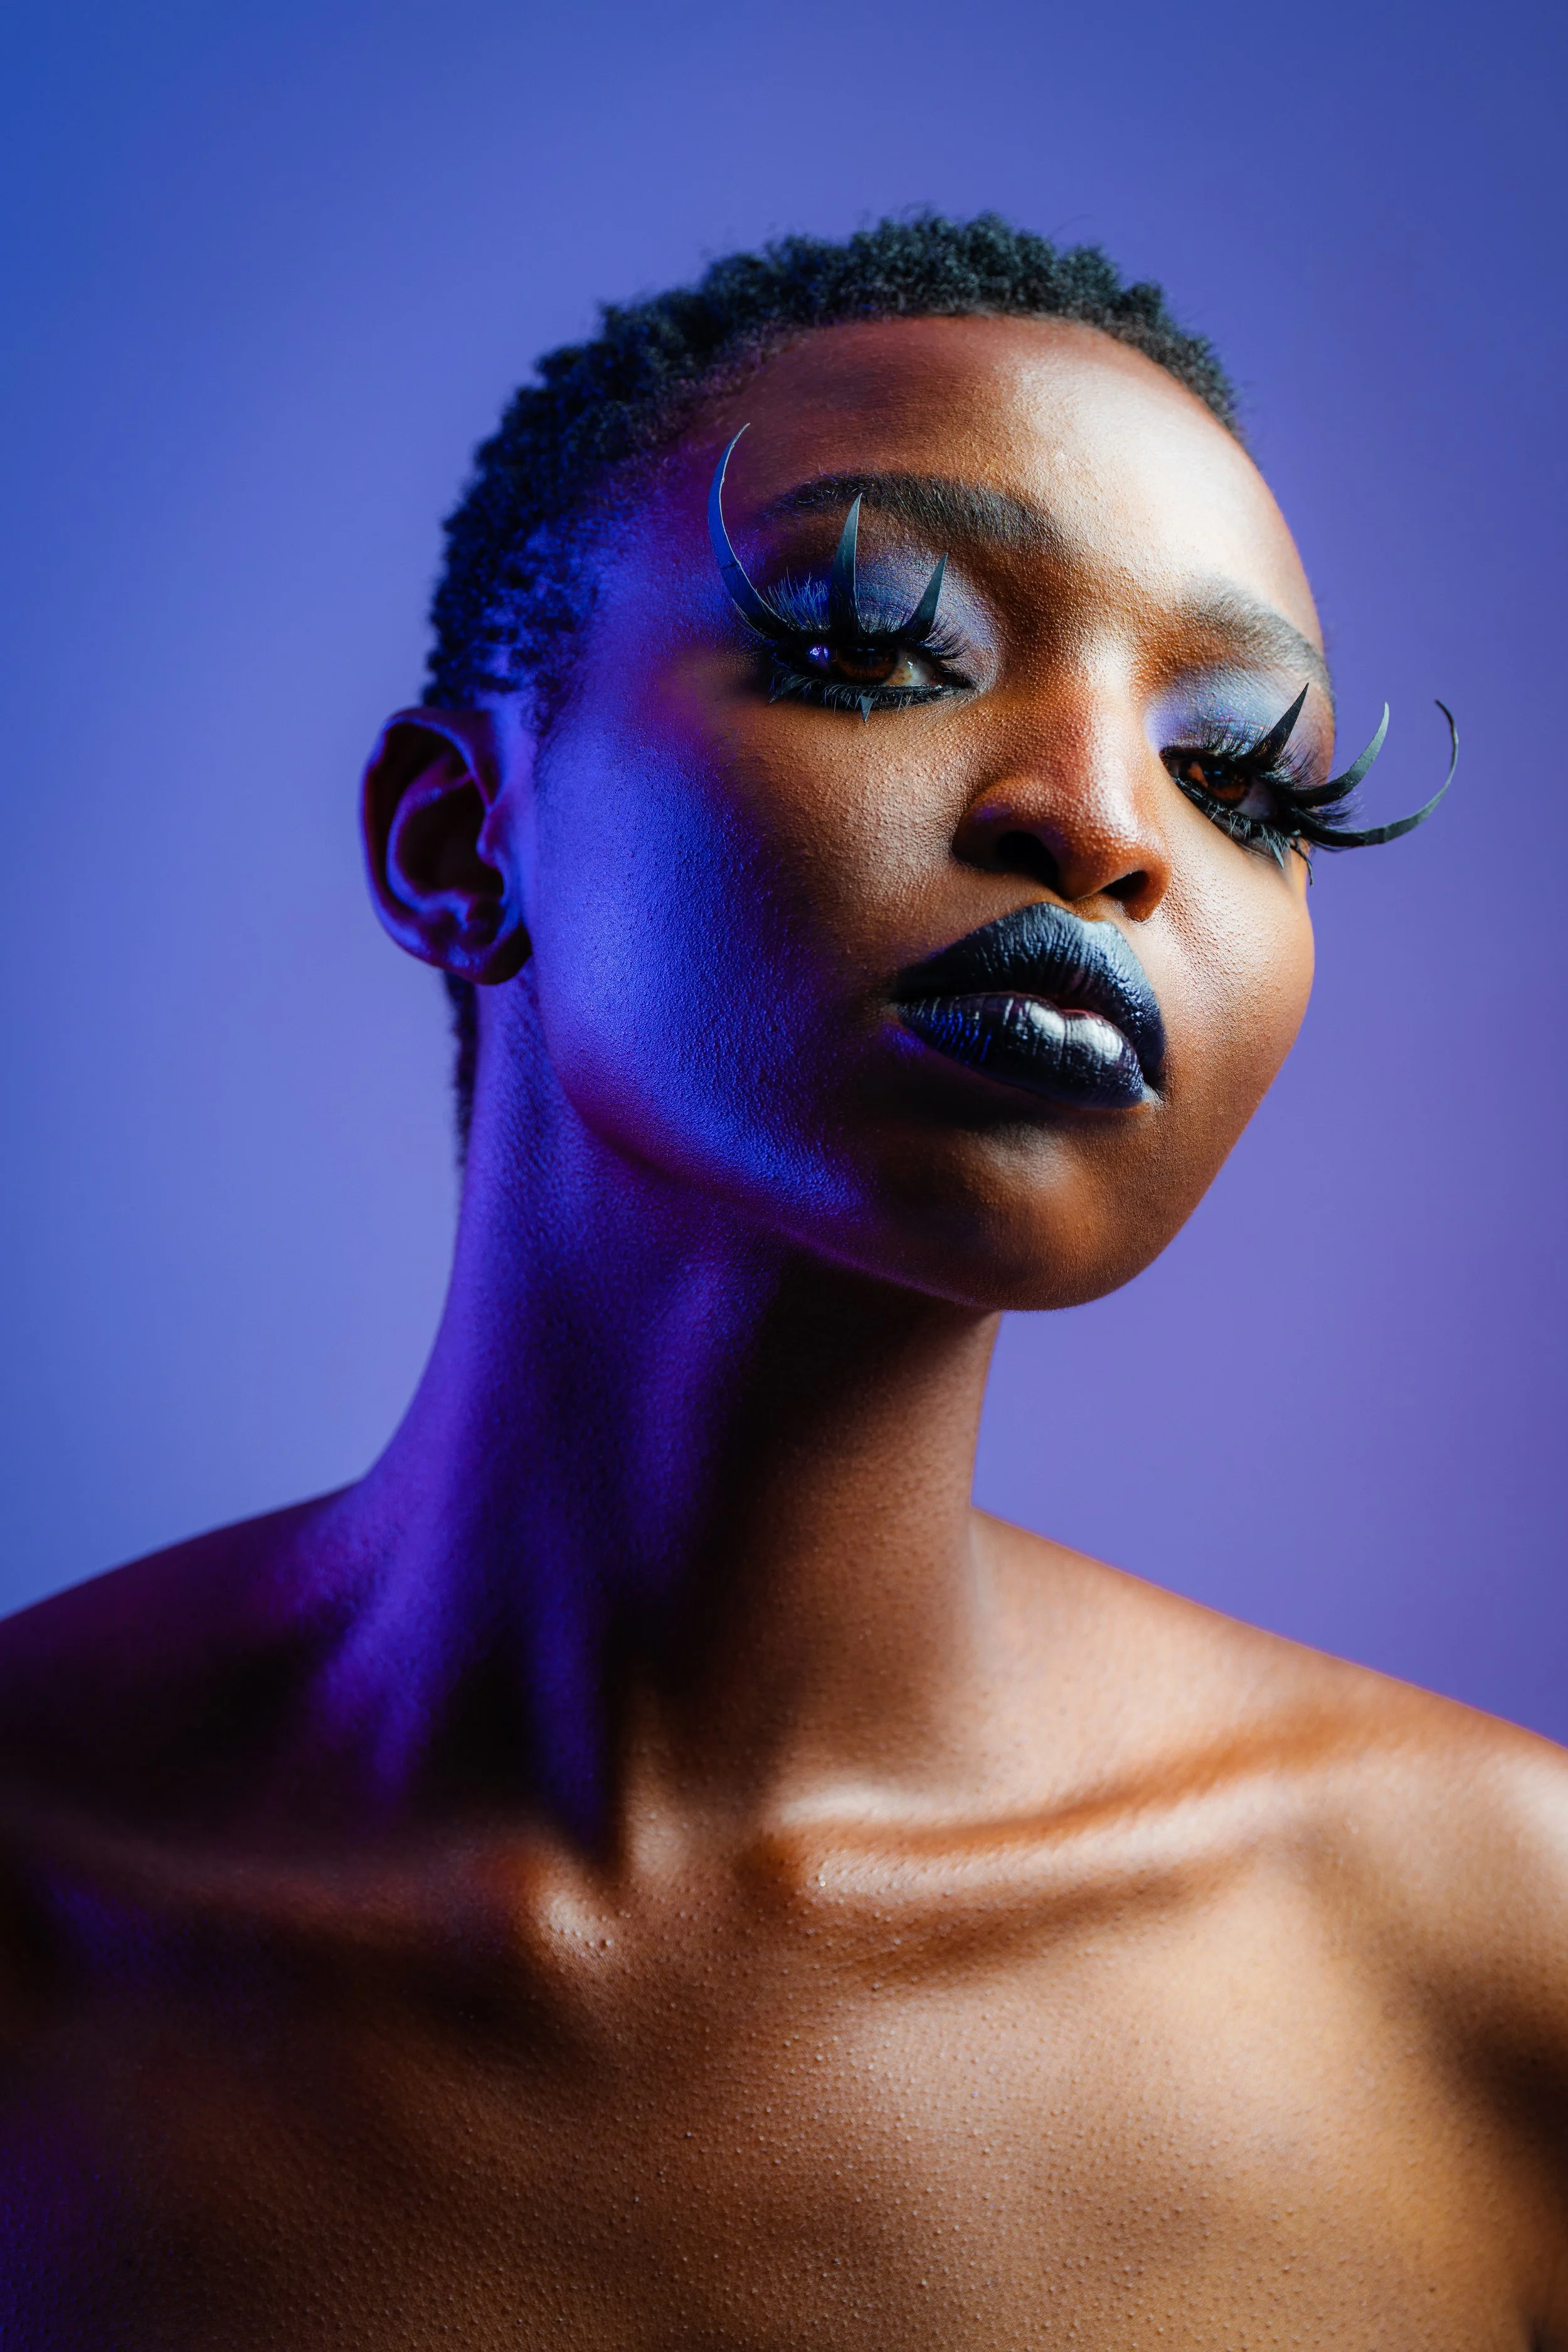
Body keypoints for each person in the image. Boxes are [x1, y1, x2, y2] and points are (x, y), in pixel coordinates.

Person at [0, 213, 1558, 2349]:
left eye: (1242, 776)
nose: (1107, 824)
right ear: (465, 841)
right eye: (878, 644)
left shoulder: (1501, 1953)